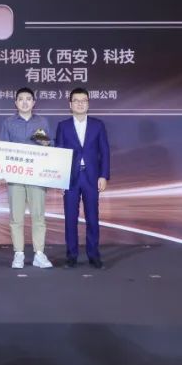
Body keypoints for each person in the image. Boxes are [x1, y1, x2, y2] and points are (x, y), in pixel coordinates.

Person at [54, 87, 110, 269]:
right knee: (70, 218)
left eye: (83, 100)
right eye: (76, 101)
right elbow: (59, 153)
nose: (80, 104)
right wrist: (59, 179)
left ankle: (94, 255)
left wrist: (104, 175)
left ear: (88, 104)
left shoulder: (97, 125)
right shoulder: (63, 126)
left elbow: (105, 152)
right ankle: (71, 256)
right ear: (70, 105)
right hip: (70, 178)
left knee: (92, 217)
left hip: (91, 177)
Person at [0, 87, 53, 269]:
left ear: (33, 102)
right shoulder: (8, 123)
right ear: (15, 102)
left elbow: (49, 147)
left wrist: (41, 139)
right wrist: (2, 172)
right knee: (16, 216)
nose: (24, 102)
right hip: (15, 175)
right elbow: (2, 150)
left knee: (38, 215)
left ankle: (39, 254)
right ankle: (19, 254)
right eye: (21, 99)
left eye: (28, 99)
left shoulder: (42, 121)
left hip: (36, 175)